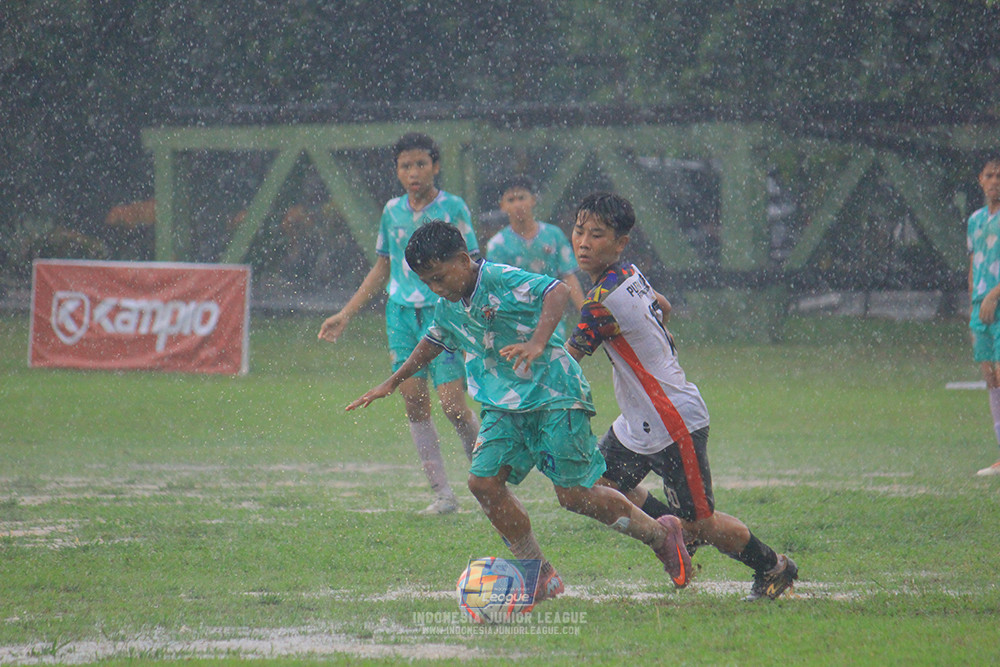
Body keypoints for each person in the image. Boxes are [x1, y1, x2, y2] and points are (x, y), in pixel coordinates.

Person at [346, 220, 692, 604]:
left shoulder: (497, 277)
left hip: (554, 394)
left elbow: (557, 291)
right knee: (483, 484)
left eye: (440, 277)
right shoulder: (449, 304)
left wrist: (538, 342)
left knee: (574, 495)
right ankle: (538, 573)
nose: (436, 288)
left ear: (463, 260)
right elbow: (435, 338)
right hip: (502, 405)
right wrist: (394, 381)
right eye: (428, 282)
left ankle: (662, 535)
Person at [565, 192, 798, 601]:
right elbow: (663, 305)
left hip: (673, 421)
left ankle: (773, 567)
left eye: (597, 235)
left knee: (702, 524)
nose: (583, 242)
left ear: (620, 243)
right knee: (600, 484)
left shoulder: (600, 303)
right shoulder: (629, 274)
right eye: (579, 231)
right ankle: (670, 533)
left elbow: (568, 363)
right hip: (639, 421)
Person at [318, 133, 481, 514]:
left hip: (444, 312)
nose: (413, 172)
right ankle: (442, 494)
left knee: (454, 406)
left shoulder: (453, 207)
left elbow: (470, 259)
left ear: (436, 166)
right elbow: (383, 265)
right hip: (402, 315)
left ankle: (486, 480)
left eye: (421, 164)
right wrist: (346, 312)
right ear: (397, 171)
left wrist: (473, 308)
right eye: (405, 166)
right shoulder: (391, 211)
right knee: (414, 403)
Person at [486, 174, 585, 340]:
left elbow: (568, 276)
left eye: (522, 198)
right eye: (511, 200)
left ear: (533, 200)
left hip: (551, 316)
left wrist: (586, 312)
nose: (517, 204)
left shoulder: (553, 235)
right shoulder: (497, 245)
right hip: (514, 321)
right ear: (502, 206)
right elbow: (495, 289)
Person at [967, 157, 1000, 477]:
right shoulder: (975, 220)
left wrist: (994, 294)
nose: (995, 181)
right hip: (981, 308)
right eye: (989, 175)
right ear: (980, 179)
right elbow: (974, 264)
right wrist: (973, 307)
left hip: (999, 302)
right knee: (990, 376)